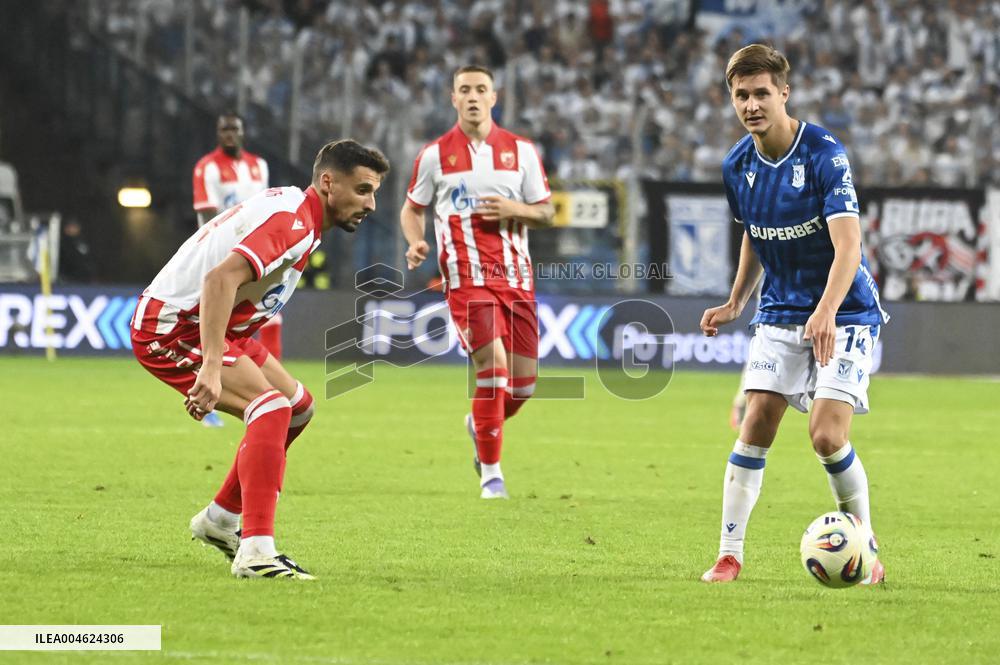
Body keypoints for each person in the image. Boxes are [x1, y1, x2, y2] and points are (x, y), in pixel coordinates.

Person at [132, 139, 390, 579]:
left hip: (224, 324)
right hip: (174, 325)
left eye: (374, 193)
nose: (371, 204)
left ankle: (220, 520)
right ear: (328, 183)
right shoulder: (293, 223)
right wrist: (212, 367)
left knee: (298, 408)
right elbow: (219, 279)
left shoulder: (297, 210)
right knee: (269, 408)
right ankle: (256, 552)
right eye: (363, 190)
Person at [699, 45, 889, 584]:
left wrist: (827, 311)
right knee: (755, 423)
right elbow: (754, 236)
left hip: (845, 311)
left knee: (827, 436)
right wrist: (737, 301)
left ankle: (866, 553)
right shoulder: (737, 165)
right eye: (742, 95)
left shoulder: (825, 153)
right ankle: (729, 555)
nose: (752, 104)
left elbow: (849, 246)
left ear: (784, 93)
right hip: (780, 311)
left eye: (762, 93)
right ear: (731, 99)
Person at [400, 65, 554, 500]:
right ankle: (491, 475)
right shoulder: (434, 155)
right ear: (453, 98)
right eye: (464, 89)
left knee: (523, 386)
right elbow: (412, 208)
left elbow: (545, 211)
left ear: (494, 96)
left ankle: (480, 424)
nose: (472, 96)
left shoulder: (521, 151)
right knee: (493, 370)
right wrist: (416, 242)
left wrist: (514, 208)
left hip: (517, 279)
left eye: (480, 89)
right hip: (465, 278)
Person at [192, 112, 278, 426]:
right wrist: (215, 253)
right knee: (215, 329)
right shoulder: (207, 166)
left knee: (270, 315)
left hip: (256, 255)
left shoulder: (260, 165)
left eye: (234, 129)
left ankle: (267, 391)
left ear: (243, 132)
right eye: (224, 130)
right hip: (225, 256)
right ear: (218, 133)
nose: (229, 135)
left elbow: (265, 208)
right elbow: (207, 215)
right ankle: (206, 400)